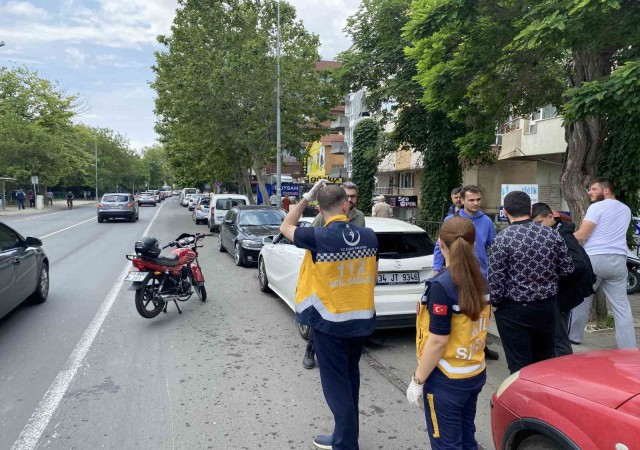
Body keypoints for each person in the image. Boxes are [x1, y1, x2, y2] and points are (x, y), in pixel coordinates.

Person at [280, 180, 378, 450]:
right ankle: (343, 436)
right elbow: (373, 276)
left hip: (331, 326)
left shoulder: (318, 237)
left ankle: (346, 445)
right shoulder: (369, 236)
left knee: (336, 388)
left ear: (320, 210)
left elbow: (286, 226)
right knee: (350, 381)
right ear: (346, 205)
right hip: (360, 323)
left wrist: (306, 197)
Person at [407, 216, 489, 450]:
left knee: (446, 444)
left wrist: (417, 380)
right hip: (473, 371)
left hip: (446, 379)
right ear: (474, 244)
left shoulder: (442, 286)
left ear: (440, 243)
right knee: (466, 437)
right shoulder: (481, 280)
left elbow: (438, 342)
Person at [489, 191, 574, 373]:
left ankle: (521, 391)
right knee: (543, 361)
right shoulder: (552, 234)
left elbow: (496, 278)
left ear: (505, 212)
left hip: (514, 309)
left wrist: (495, 303)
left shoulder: (502, 239)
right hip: (546, 306)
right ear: (529, 209)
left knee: (518, 364)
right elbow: (567, 268)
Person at [304, 181, 367, 370]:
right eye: (347, 196)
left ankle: (348, 347)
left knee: (347, 315)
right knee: (322, 315)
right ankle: (310, 350)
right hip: (327, 274)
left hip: (349, 276)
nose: (351, 200)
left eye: (354, 196)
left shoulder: (359, 217)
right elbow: (311, 238)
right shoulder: (324, 216)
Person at [433, 185, 499, 361]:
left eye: (478, 199)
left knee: (481, 314)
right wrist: (437, 268)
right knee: (459, 314)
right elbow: (440, 246)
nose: (476, 203)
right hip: (456, 274)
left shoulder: (486, 222)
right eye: (471, 200)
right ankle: (456, 346)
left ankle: (480, 346)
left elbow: (494, 247)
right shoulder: (451, 220)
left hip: (479, 276)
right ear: (462, 200)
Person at [571, 178, 637, 349]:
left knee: (580, 299)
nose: (590, 192)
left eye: (594, 189)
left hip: (595, 258)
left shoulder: (596, 207)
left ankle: (574, 337)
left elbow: (582, 235)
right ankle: (628, 347)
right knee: (621, 306)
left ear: (606, 190)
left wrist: (563, 237)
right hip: (618, 259)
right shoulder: (626, 209)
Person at [531, 203, 595, 356]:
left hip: (563, 293)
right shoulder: (552, 233)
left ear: (550, 217)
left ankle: (564, 365)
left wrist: (552, 275)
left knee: (559, 339)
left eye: (540, 223)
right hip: (558, 292)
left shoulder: (564, 236)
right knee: (553, 337)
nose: (538, 228)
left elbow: (579, 265)